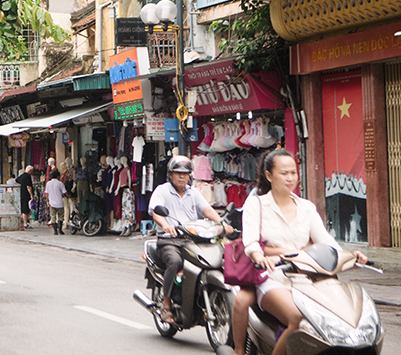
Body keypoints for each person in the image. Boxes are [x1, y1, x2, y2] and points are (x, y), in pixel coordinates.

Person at [233, 149, 368, 355]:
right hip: (272, 276)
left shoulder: (307, 207)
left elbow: (326, 240)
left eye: (293, 173)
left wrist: (350, 256)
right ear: (269, 176)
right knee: (297, 318)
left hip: (308, 278)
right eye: (284, 173)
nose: (290, 178)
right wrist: (259, 256)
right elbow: (250, 240)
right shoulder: (256, 204)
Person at [148, 155, 232, 325]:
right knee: (175, 262)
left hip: (191, 240)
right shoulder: (162, 190)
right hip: (169, 240)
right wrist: (165, 225)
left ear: (190, 176)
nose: (181, 177)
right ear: (170, 174)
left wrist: (222, 224)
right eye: (178, 173)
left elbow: (207, 210)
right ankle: (166, 304)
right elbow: (155, 211)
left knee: (212, 259)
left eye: (185, 174)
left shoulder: (193, 192)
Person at [44, 168, 67, 235]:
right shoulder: (60, 184)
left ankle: (55, 231)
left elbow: (46, 193)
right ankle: (60, 230)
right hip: (60, 203)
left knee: (53, 217)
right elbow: (65, 192)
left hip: (52, 203)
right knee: (61, 216)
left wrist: (47, 201)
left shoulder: (48, 183)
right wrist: (70, 197)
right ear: (58, 176)